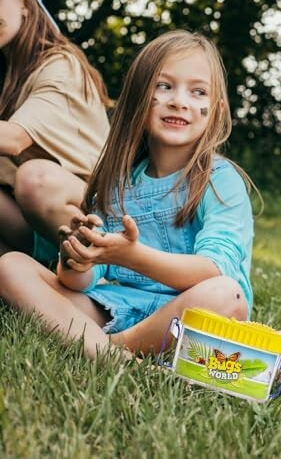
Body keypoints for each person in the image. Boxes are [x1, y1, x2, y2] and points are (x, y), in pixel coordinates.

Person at [0, 29, 255, 360]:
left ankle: (108, 350)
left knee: (226, 294)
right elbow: (85, 281)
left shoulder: (220, 180)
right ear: (138, 99)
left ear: (216, 111)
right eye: (164, 87)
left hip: (190, 313)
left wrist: (131, 255)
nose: (179, 100)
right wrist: (76, 258)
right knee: (11, 267)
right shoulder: (118, 184)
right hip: (119, 306)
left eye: (198, 92)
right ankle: (118, 347)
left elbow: (213, 270)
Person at [0, 0, 109, 263]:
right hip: (41, 226)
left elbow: (14, 139)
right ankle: (30, 276)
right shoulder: (11, 75)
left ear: (24, 1)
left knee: (35, 180)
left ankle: (109, 272)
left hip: (100, 217)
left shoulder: (61, 66)